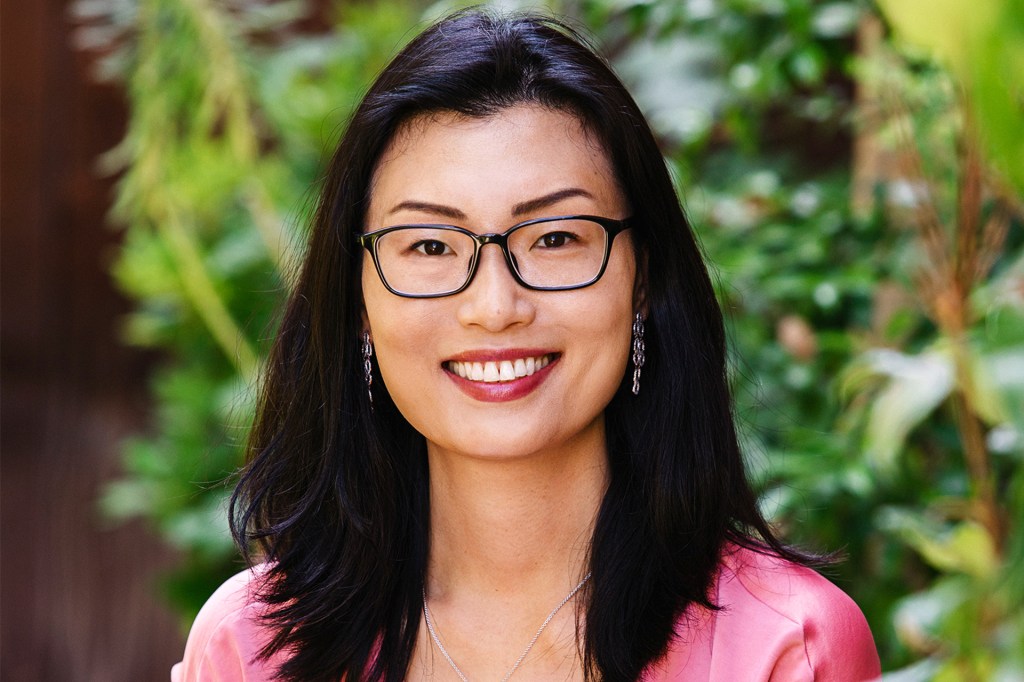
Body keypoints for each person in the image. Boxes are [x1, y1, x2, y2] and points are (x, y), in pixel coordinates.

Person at [172, 8, 880, 682]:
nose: (494, 307)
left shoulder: (786, 646)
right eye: (428, 245)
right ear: (358, 303)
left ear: (643, 283)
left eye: (554, 239)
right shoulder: (253, 647)